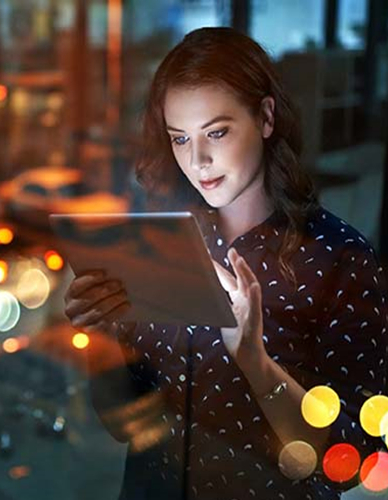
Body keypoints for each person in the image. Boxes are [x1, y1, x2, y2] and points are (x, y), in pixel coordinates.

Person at [64, 27, 388, 499]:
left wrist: (254, 361)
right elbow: (126, 422)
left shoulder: (341, 259)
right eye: (180, 138)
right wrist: (100, 334)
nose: (198, 160)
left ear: (266, 117)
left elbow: (353, 458)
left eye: (216, 132)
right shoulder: (163, 243)